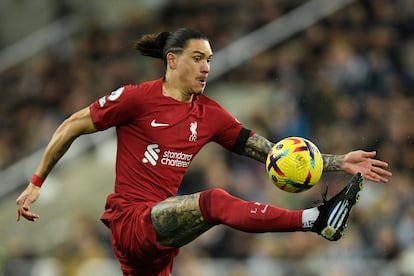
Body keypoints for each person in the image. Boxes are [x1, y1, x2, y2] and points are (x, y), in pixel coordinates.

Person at [16, 28, 392, 276]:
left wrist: (336, 162)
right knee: (212, 201)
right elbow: (71, 125)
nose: (207, 67)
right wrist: (36, 182)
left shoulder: (209, 113)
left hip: (161, 247)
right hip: (132, 223)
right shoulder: (136, 98)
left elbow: (271, 154)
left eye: (210, 59)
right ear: (172, 60)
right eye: (198, 58)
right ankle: (314, 220)